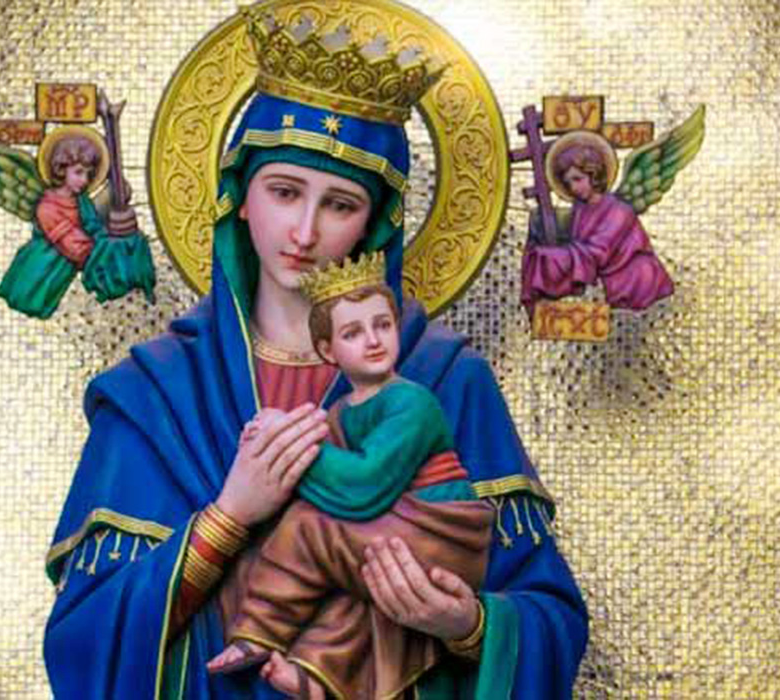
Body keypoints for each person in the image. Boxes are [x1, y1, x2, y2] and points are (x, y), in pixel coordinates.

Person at [43, 8, 588, 699]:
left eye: (340, 204)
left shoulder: (446, 381)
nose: (303, 231)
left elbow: (549, 618)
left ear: (375, 225)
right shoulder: (156, 394)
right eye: (284, 192)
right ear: (240, 197)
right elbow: (84, 642)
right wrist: (228, 518)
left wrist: (465, 625)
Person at [207, 255, 494, 698]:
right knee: (344, 586)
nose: (373, 340)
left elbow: (362, 484)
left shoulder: (412, 403)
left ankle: (259, 632)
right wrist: (270, 442)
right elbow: (329, 485)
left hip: (442, 534)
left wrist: (293, 446)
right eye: (353, 333)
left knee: (309, 528)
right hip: (401, 532)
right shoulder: (341, 412)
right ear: (328, 350)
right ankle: (316, 675)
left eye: (383, 325)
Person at [0, 132, 153, 319]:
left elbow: (94, 228)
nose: (84, 180)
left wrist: (119, 236)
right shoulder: (47, 208)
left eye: (88, 174)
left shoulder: (82, 201)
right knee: (25, 311)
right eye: (78, 172)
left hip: (60, 274)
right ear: (61, 169)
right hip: (37, 276)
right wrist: (112, 251)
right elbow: (77, 248)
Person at [520, 137, 674, 311]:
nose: (573, 188)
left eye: (577, 179)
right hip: (610, 284)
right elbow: (579, 247)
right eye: (568, 183)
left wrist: (554, 258)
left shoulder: (619, 212)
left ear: (593, 174)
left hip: (638, 286)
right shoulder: (581, 211)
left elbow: (597, 253)